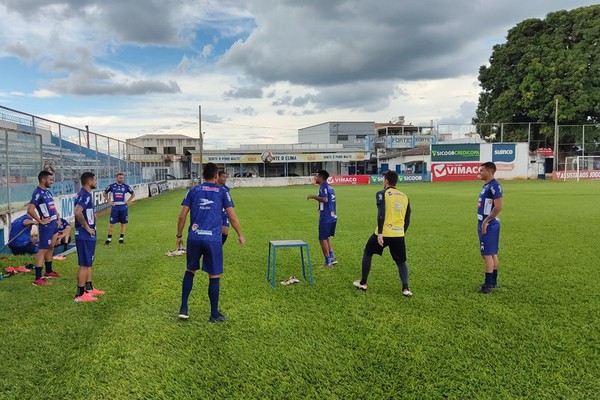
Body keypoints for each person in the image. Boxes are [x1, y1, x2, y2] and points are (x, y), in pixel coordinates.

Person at [176, 162, 245, 322]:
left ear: (202, 175)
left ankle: (184, 308)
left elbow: (182, 216)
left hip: (194, 237)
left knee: (190, 270)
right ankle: (214, 314)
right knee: (214, 275)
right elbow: (232, 216)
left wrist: (179, 235)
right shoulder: (222, 192)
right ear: (216, 176)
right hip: (213, 239)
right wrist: (240, 234)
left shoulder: (193, 191)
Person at [353, 170, 412, 297]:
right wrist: (403, 232)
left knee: (368, 252)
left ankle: (363, 283)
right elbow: (407, 218)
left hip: (384, 233)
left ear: (386, 181)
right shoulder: (405, 196)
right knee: (401, 262)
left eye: (383, 179)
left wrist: (380, 233)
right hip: (399, 235)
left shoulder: (382, 194)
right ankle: (406, 288)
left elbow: (381, 213)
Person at [73, 172, 105, 302]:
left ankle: (89, 288)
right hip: (84, 234)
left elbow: (84, 211)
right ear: (89, 181)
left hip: (88, 234)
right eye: (94, 180)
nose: (96, 182)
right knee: (84, 264)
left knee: (88, 262)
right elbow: (77, 212)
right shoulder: (84, 195)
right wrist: (86, 227)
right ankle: (80, 294)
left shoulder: (85, 195)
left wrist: (92, 215)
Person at [27, 170, 60, 286]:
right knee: (42, 250)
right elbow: (30, 209)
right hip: (46, 226)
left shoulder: (48, 192)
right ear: (43, 180)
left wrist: (58, 216)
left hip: (53, 223)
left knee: (51, 247)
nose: (52, 181)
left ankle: (49, 271)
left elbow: (52, 206)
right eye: (50, 179)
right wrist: (40, 221)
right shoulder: (37, 193)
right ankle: (38, 278)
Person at [477, 162, 503, 294]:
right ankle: (493, 282)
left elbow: (498, 206)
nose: (479, 172)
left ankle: (488, 284)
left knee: (487, 254)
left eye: (481, 170)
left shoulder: (494, 186)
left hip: (488, 224)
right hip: (487, 222)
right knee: (492, 253)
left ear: (489, 171)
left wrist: (486, 221)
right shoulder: (488, 185)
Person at [307, 170, 337, 268]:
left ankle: (328, 262)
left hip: (326, 217)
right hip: (333, 216)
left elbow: (325, 199)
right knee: (326, 237)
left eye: (317, 176)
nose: (316, 177)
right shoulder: (329, 186)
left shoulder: (323, 187)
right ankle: (332, 257)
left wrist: (313, 196)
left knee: (322, 238)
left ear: (321, 178)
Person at [103, 172, 135, 244]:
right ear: (116, 178)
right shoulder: (111, 186)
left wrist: (128, 201)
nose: (122, 179)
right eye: (120, 178)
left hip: (123, 207)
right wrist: (109, 201)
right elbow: (104, 194)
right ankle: (109, 239)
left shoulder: (126, 187)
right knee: (112, 223)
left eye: (123, 178)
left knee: (123, 223)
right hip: (115, 208)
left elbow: (133, 194)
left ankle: (121, 238)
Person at [217, 171, 232, 244]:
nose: (225, 179)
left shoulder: (226, 189)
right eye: (223, 177)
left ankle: (218, 248)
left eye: (226, 177)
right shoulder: (213, 187)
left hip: (224, 213)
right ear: (218, 177)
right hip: (215, 213)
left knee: (225, 232)